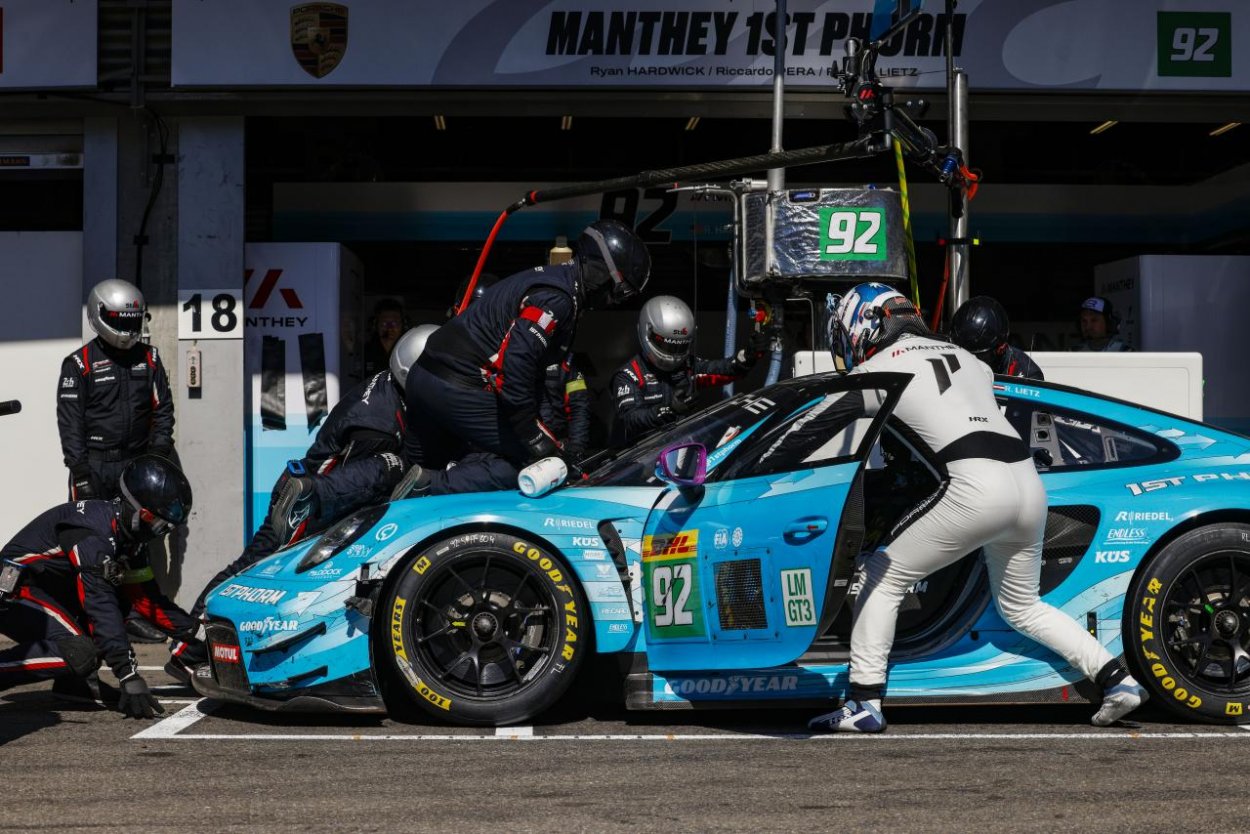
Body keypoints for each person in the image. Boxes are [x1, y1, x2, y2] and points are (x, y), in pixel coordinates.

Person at [806, 282, 1146, 733]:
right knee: (1022, 606)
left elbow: (815, 430)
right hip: (1026, 485)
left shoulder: (878, 370)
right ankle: (1117, 679)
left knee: (880, 575)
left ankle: (864, 701)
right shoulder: (970, 361)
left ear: (864, 327)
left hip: (974, 486)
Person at [189, 325, 436, 621]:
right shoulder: (376, 429)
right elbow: (355, 494)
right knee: (251, 569)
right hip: (304, 501)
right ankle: (192, 642)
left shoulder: (392, 387)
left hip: (312, 489)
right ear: (412, 374)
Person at [395, 219, 650, 497]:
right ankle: (429, 487)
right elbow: (517, 364)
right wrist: (533, 436)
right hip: (455, 385)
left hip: (423, 380)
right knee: (539, 464)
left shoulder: (550, 280)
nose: (616, 301)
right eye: (621, 291)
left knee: (414, 475)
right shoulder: (559, 299)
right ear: (602, 272)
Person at [0, 455, 201, 718]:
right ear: (139, 511)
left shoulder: (131, 538)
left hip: (45, 591)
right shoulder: (92, 535)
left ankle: (75, 685)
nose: (159, 532)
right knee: (79, 651)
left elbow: (147, 601)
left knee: (109, 623)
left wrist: (198, 634)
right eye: (158, 523)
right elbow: (99, 604)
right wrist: (128, 674)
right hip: (13, 592)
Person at [56, 278, 177, 645]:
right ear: (98, 316)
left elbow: (164, 411)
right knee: (93, 544)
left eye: (132, 321)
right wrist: (80, 470)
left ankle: (137, 614)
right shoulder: (79, 363)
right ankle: (89, 621)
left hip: (136, 466)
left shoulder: (150, 358)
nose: (127, 330)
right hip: (93, 465)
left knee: (136, 544)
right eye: (119, 320)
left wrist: (157, 455)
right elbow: (70, 422)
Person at [448, 273, 595, 462]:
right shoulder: (454, 359)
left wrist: (575, 450)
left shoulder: (553, 353)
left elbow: (579, 407)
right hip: (479, 451)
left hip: (542, 446)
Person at [608, 295, 766, 448]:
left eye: (680, 347)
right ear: (647, 332)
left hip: (680, 446)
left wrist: (747, 358)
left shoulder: (687, 365)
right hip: (638, 456)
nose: (674, 355)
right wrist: (668, 410)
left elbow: (720, 370)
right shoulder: (628, 375)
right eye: (669, 346)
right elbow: (630, 419)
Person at [949, 295, 1044, 380]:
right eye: (964, 353)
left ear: (1001, 348)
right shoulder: (949, 362)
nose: (970, 360)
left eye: (978, 356)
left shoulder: (1028, 374)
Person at [362, 298, 407, 378]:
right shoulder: (365, 352)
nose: (390, 328)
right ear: (375, 325)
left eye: (394, 323)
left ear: (402, 325)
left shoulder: (409, 351)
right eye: (384, 323)